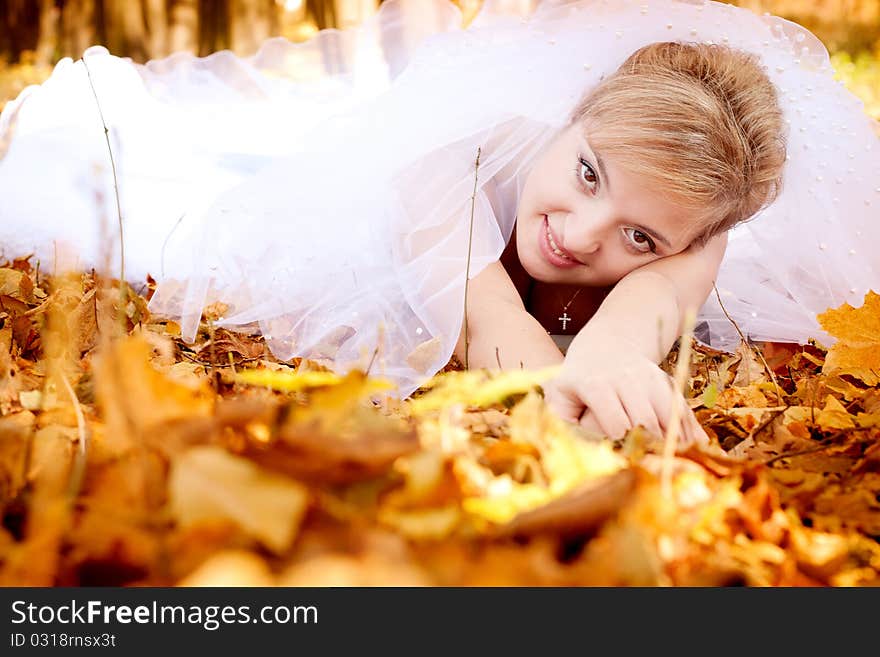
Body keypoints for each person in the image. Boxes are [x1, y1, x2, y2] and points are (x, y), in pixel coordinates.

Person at [0, 0, 878, 442]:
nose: (579, 233)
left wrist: (614, 350)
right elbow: (493, 319)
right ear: (569, 118)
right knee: (100, 197)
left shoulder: (694, 236)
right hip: (340, 206)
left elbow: (650, 309)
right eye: (587, 172)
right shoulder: (459, 155)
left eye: (640, 237)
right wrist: (557, 385)